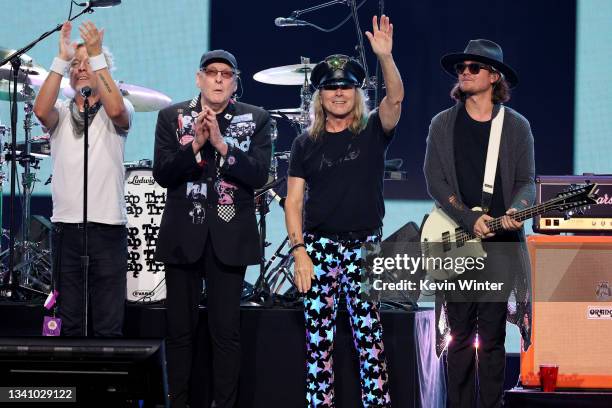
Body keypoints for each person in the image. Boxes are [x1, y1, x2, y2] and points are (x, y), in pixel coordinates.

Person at [284, 15, 403, 408]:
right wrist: (299, 251)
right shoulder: (305, 143)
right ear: (319, 96)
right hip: (318, 250)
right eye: (331, 88)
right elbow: (294, 202)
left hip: (366, 248)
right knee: (317, 343)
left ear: (357, 92)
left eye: (346, 87)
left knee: (370, 342)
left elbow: (396, 99)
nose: (338, 93)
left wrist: (384, 57)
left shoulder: (372, 131)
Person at [153, 49, 272, 408]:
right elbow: (162, 175)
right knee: (179, 332)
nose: (219, 79)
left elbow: (258, 174)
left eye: (226, 74)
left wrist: (221, 145)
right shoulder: (171, 116)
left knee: (226, 333)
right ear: (199, 78)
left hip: (229, 237)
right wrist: (196, 146)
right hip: (182, 237)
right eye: (212, 72)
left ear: (235, 82)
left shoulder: (257, 118)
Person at [423, 39, 534, 408]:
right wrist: (469, 217)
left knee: (491, 337)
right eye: (462, 68)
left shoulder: (516, 127)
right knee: (458, 336)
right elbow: (434, 179)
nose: (464, 73)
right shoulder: (442, 123)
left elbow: (526, 183)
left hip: (500, 245)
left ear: (494, 76)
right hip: (457, 239)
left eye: (473, 68)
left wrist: (514, 212)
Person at [33, 21, 133, 337]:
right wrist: (62, 60)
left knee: (107, 323)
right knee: (69, 322)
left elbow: (115, 107)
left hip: (107, 229)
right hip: (66, 230)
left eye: (87, 63)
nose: (81, 69)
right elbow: (39, 110)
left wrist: (96, 54)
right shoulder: (61, 112)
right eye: (77, 65)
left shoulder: (119, 107)